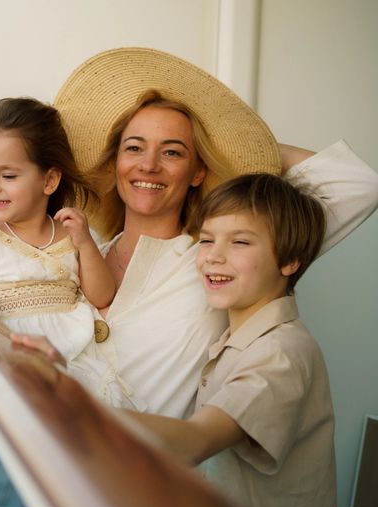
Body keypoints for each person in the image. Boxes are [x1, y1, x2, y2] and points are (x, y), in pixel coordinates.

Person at [35, 47, 378, 417]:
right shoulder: (78, 254)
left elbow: (358, 186)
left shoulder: (217, 260)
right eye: (134, 148)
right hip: (57, 443)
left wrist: (243, 147)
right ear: (116, 162)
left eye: (172, 152)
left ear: (198, 171)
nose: (148, 165)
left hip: (162, 451)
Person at [122, 172, 336, 507]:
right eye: (206, 240)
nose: (214, 256)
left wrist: (74, 410)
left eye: (240, 242)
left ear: (290, 260)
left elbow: (196, 440)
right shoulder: (233, 340)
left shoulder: (282, 353)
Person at [0, 97, 118, 366]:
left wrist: (86, 244)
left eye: (8, 176)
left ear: (49, 180)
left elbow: (102, 297)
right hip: (13, 360)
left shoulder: (70, 235)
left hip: (78, 357)